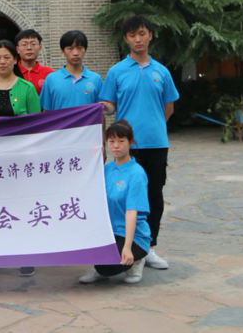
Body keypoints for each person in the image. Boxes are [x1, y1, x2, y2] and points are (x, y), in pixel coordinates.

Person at [99, 15, 179, 271]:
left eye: (142, 33)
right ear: (126, 39)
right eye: (132, 35)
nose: (138, 39)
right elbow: (111, 105)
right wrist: (104, 107)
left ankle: (149, 247)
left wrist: (153, 125)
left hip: (156, 144)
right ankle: (125, 244)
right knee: (123, 196)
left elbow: (168, 107)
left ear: (150, 35)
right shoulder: (116, 71)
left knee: (154, 195)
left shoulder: (161, 71)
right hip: (127, 145)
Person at [0, 40, 40, 277]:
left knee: (21, 204)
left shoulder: (27, 88)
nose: (2, 62)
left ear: (15, 60)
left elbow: (36, 126)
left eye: (6, 57)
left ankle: (25, 254)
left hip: (19, 160)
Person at [78, 120, 151, 285]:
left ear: (130, 142)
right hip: (110, 231)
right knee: (88, 253)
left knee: (107, 267)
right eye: (111, 141)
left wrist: (127, 247)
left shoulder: (136, 174)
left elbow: (131, 212)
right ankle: (101, 267)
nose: (116, 146)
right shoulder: (106, 169)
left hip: (132, 235)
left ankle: (136, 260)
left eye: (121, 141)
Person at [39, 30, 103, 111]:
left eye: (79, 48)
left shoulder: (96, 79)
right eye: (70, 48)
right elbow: (46, 111)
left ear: (85, 49)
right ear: (62, 51)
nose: (75, 53)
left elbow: (100, 111)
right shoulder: (51, 79)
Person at [15, 29, 54, 95]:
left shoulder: (49, 73)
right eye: (24, 44)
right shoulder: (12, 72)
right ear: (17, 49)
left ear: (40, 47)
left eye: (33, 44)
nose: (29, 48)